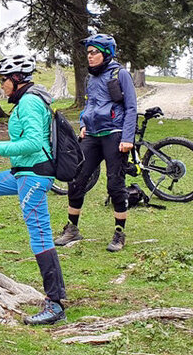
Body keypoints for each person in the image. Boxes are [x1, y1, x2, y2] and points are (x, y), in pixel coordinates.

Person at [0, 54, 67, 326]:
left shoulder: (30, 102)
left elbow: (33, 143)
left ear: (17, 79)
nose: (1, 85)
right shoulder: (25, 101)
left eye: (4, 80)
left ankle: (55, 303)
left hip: (33, 176)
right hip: (21, 173)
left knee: (40, 236)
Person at [53, 34, 137, 252]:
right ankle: (72, 229)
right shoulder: (91, 78)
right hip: (92, 134)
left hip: (115, 134)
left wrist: (128, 138)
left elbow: (131, 108)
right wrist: (83, 123)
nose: (89, 56)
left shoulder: (121, 74)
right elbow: (89, 105)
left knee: (115, 184)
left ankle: (119, 234)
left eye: (94, 52)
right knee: (76, 179)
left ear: (106, 53)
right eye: (88, 52)